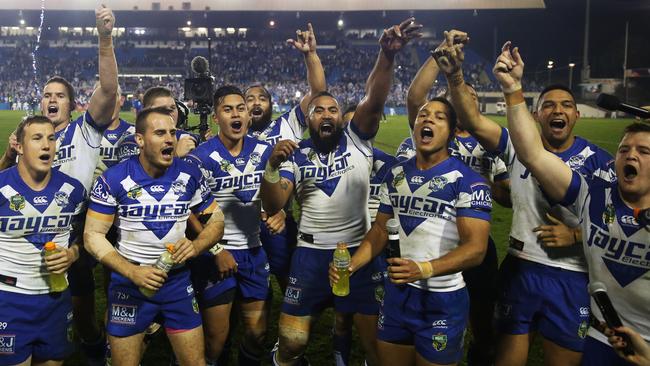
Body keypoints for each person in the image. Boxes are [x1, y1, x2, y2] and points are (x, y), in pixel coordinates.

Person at [432, 35, 616, 366]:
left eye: (566, 106)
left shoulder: (600, 161)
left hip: (573, 274)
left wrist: (575, 235)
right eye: (548, 105)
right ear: (535, 113)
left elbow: (618, 221)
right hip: (521, 266)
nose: (557, 110)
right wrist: (455, 76)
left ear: (576, 116)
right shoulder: (515, 144)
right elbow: (473, 121)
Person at [261, 18, 422, 366]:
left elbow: (375, 99)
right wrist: (272, 167)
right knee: (291, 344)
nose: (326, 114)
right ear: (310, 118)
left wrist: (386, 56)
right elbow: (274, 203)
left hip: (361, 254)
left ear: (341, 117)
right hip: (309, 256)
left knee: (378, 351)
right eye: (318, 110)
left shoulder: (357, 139)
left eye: (333, 109)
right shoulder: (296, 153)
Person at [491, 41, 650, 366]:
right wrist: (513, 89)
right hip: (605, 336)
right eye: (623, 150)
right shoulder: (594, 197)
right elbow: (534, 154)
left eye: (644, 151)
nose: (630, 155)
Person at [330, 97, 492, 366]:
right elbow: (380, 229)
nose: (428, 119)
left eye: (439, 117)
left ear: (452, 133)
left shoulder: (469, 182)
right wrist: (352, 265)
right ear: (415, 126)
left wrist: (424, 269)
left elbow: (476, 250)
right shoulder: (395, 174)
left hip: (442, 299)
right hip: (398, 295)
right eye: (423, 115)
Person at [0, 6, 120, 364]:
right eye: (47, 95)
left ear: (72, 103)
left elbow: (109, 89)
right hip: (34, 223)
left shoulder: (85, 130)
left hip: (77, 224)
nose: (52, 99)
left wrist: (104, 38)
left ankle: (94, 348)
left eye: (60, 95)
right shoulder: (30, 135)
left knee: (79, 303)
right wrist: (10, 154)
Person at [398, 31, 509, 365]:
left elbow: (506, 199)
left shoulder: (490, 145)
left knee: (481, 308)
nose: (465, 100)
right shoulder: (432, 137)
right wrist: (441, 55)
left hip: (473, 242)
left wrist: (482, 184)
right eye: (458, 97)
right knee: (429, 303)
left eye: (470, 97)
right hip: (431, 242)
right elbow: (415, 95)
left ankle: (480, 346)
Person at [84, 106, 225, 366]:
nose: (170, 139)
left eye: (172, 132)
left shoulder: (190, 173)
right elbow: (92, 236)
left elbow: (216, 220)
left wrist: (195, 247)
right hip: (129, 284)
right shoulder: (113, 178)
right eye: (160, 133)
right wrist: (131, 272)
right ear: (140, 140)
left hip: (177, 282)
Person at [184, 85, 273, 366]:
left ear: (248, 115)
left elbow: (279, 190)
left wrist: (278, 211)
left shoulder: (265, 151)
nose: (236, 114)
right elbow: (187, 209)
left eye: (240, 108)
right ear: (215, 117)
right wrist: (217, 249)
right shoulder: (199, 158)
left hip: (254, 252)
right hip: (217, 254)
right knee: (216, 340)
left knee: (257, 334)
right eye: (227, 109)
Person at [245, 22, 326, 291]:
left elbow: (317, 94)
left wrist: (310, 55)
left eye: (262, 99)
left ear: (271, 105)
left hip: (276, 219)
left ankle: (292, 325)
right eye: (250, 99)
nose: (256, 103)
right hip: (241, 222)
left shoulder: (286, 123)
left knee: (289, 281)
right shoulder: (232, 135)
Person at [0, 116, 87, 366]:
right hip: (9, 300)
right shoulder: (2, 187)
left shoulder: (73, 190)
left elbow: (84, 236)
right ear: (19, 146)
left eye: (51, 138)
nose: (47, 145)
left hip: (56, 299)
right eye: (37, 138)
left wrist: (73, 254)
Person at [115, 86, 199, 163]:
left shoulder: (193, 139)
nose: (170, 113)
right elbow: (131, 176)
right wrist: (175, 155)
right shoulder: (132, 143)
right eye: (162, 109)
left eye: (173, 108)